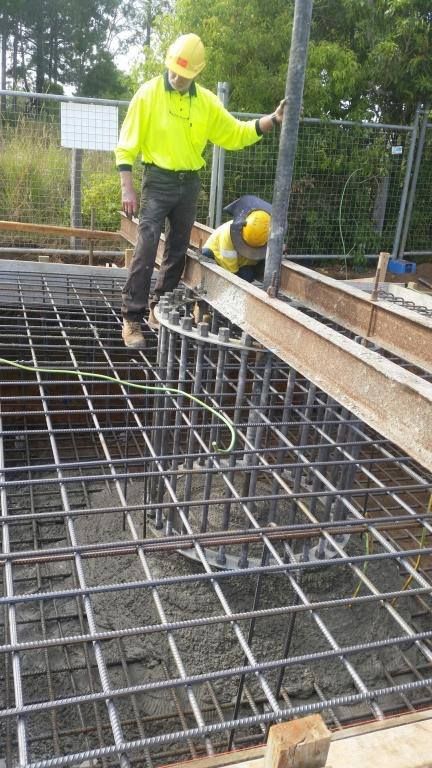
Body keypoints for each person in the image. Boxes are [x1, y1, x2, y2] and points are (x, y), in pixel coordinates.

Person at [115, 32, 286, 349]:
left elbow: (234, 133)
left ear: (197, 73)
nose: (177, 77)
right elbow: (126, 146)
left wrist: (271, 121)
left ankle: (157, 305)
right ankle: (132, 318)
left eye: (185, 74)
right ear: (168, 63)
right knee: (147, 245)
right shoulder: (148, 95)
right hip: (158, 179)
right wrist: (128, 187)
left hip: (189, 182)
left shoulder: (206, 102)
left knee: (178, 250)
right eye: (174, 71)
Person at [201, 195, 272, 283]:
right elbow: (230, 271)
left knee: (248, 274)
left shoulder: (266, 234)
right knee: (206, 255)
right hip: (220, 261)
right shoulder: (227, 234)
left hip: (241, 264)